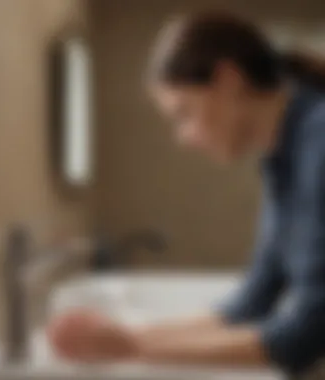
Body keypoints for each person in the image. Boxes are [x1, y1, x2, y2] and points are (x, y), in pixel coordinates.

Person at [47, 11, 325, 377]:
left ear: (228, 80)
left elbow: (305, 335)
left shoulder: (318, 142)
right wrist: (122, 338)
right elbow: (253, 302)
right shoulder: (282, 157)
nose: (185, 138)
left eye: (184, 114)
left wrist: (131, 347)